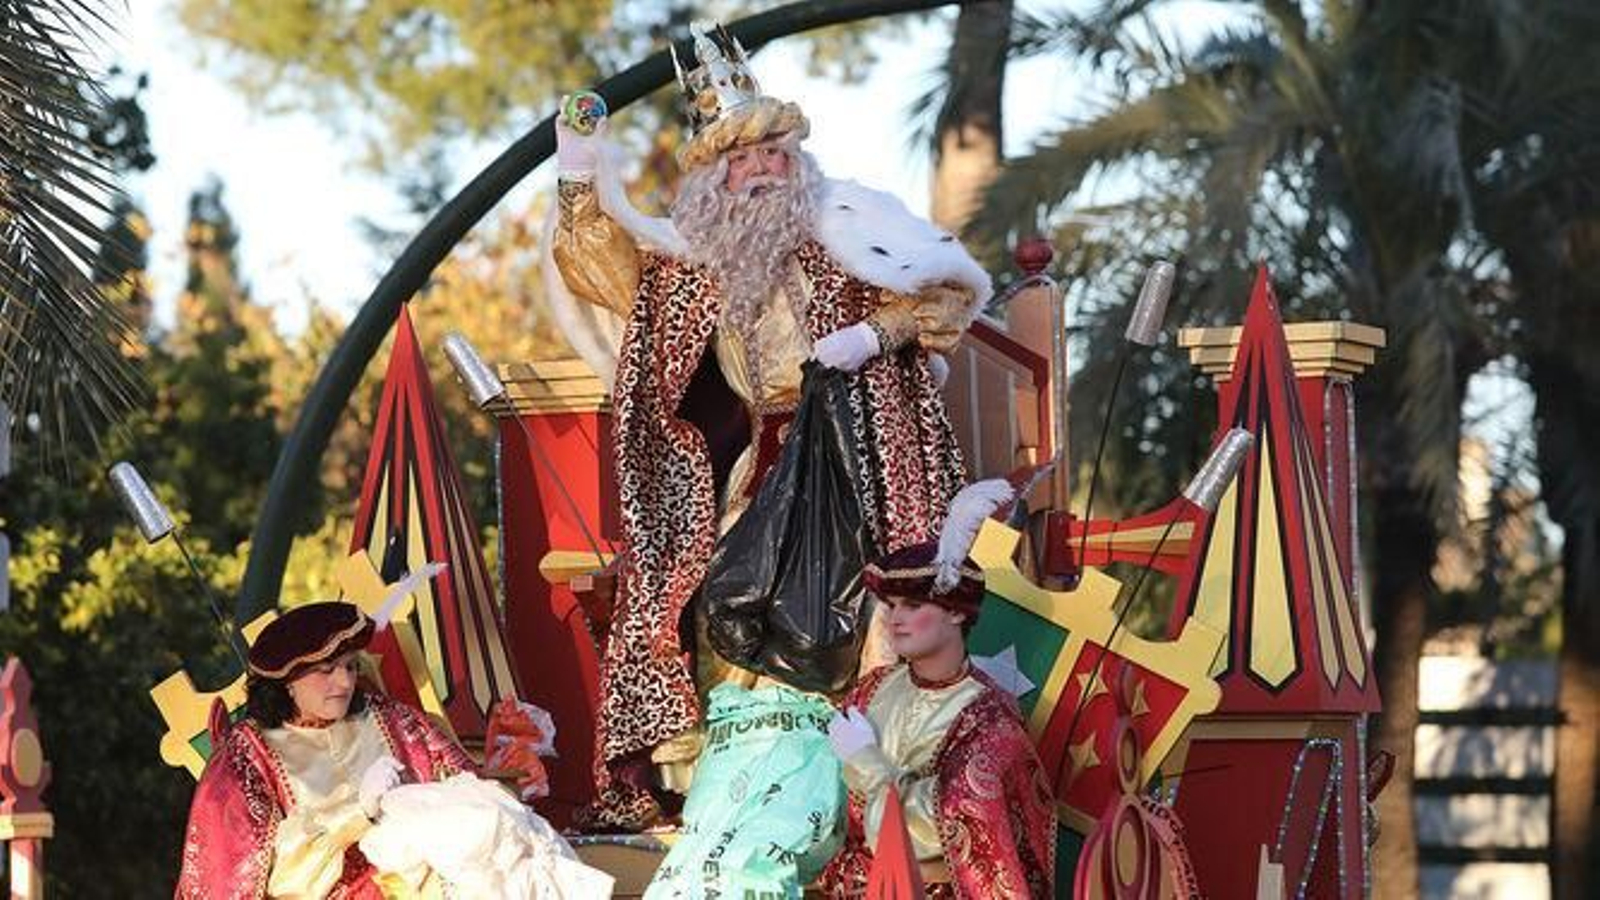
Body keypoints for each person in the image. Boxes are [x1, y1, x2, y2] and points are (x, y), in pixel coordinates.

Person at [546, 21, 989, 829]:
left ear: (797, 161)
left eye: (771, 155)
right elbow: (599, 268)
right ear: (712, 176)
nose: (756, 172)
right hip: (747, 468)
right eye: (737, 159)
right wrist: (580, 165)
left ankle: (853, 783)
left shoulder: (852, 230)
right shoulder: (689, 266)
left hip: (857, 460)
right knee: (715, 598)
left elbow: (949, 296)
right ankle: (726, 785)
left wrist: (872, 337)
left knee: (854, 606)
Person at [174, 601, 609, 899]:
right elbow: (254, 875)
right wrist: (357, 816)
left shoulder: (385, 717)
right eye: (327, 671)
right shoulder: (248, 755)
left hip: (426, 868)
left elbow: (460, 781)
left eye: (348, 667)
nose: (344, 683)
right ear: (286, 681)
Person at [818, 481, 1057, 899]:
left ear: (955, 612)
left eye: (912, 606)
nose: (894, 619)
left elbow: (944, 822)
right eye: (890, 605)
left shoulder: (988, 717)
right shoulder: (873, 688)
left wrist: (867, 763)